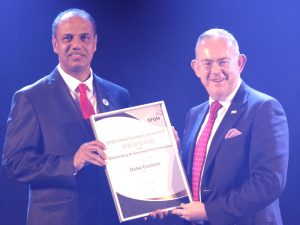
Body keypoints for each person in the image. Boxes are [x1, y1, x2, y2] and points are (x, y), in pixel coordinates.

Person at [2, 8, 130, 225]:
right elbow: (14, 164)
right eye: (67, 38)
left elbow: (128, 154)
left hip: (110, 217)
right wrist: (72, 162)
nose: (76, 45)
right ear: (55, 44)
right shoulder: (30, 97)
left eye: (84, 38)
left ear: (95, 43)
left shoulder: (119, 95)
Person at [152, 28, 289, 225]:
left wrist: (208, 211)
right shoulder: (195, 114)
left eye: (223, 61)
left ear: (240, 63)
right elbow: (198, 178)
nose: (215, 71)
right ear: (196, 68)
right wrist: (173, 161)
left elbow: (268, 183)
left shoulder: (264, 108)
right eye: (207, 63)